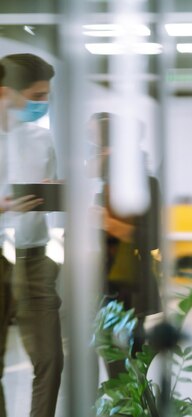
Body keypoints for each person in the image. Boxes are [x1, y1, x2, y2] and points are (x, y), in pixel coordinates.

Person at [0, 53, 62, 417]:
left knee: (51, 359)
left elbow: (47, 195)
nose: (43, 103)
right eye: (37, 96)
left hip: (35, 256)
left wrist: (57, 192)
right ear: (6, 92)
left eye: (46, 96)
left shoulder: (43, 139)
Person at [87, 112, 161, 378]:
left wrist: (109, 223)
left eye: (101, 144)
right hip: (91, 285)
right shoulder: (95, 186)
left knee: (124, 367)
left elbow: (152, 238)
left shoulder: (144, 184)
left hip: (126, 288)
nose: (96, 152)